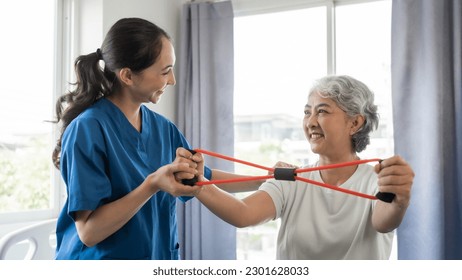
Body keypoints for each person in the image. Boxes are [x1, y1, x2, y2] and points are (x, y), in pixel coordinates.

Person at [52, 17, 259, 260]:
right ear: (128, 76)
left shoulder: (163, 129)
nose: (172, 81)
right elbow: (88, 232)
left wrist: (269, 179)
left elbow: (204, 179)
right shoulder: (87, 130)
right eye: (165, 71)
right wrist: (152, 185)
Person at [186, 75, 414, 259]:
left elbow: (384, 222)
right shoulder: (290, 178)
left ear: (354, 123)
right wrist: (198, 185)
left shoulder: (377, 181)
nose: (310, 122)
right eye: (307, 112)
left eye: (322, 111)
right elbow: (243, 214)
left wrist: (400, 200)